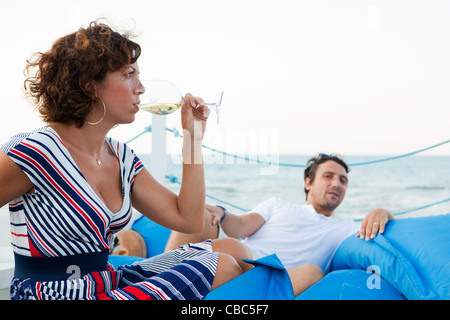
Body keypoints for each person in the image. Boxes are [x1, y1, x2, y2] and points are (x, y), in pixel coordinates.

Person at [0, 20, 249, 300]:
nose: (141, 88)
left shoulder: (121, 156)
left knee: (233, 250)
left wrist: (192, 140)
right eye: (129, 74)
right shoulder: (35, 150)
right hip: (54, 293)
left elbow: (189, 220)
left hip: (102, 281)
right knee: (223, 266)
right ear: (90, 85)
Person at [165, 153, 395, 276]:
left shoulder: (345, 228)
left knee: (312, 272)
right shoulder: (278, 205)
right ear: (308, 182)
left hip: (280, 280)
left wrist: (381, 211)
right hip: (243, 261)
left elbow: (388, 228)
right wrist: (222, 213)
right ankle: (159, 275)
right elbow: (241, 227)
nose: (337, 184)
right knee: (204, 216)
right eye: (328, 176)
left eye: (343, 180)